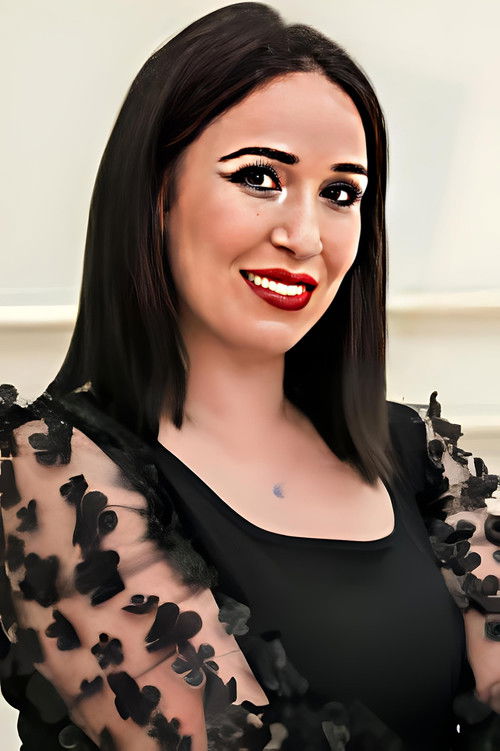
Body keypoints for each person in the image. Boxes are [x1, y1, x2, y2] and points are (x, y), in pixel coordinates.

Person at [0, 3, 499, 749]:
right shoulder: (54, 473)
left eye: (341, 193)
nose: (304, 237)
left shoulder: (417, 452)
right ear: (156, 193)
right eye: (260, 177)